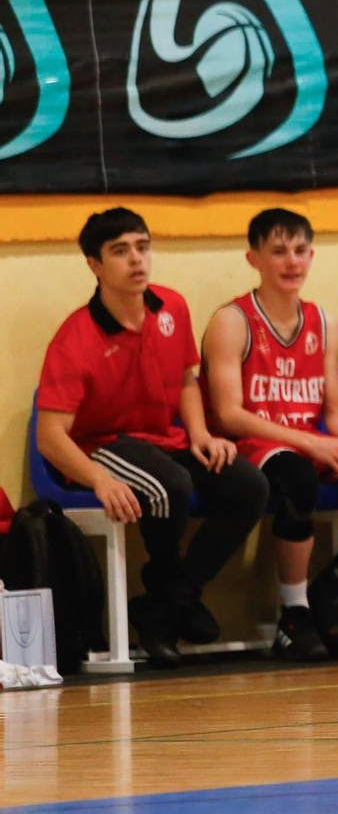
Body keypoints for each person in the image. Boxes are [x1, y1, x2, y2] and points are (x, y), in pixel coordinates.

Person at [35, 208, 269, 667]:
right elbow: (50, 437)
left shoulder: (172, 307)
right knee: (169, 486)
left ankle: (168, 599)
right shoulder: (75, 338)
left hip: (165, 439)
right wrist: (99, 480)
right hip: (101, 444)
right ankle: (163, 606)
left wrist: (200, 433)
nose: (137, 260)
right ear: (95, 265)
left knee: (249, 485)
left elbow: (186, 380)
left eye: (142, 247)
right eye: (120, 251)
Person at [202, 209, 338, 661]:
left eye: (300, 251)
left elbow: (334, 410)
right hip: (255, 445)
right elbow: (230, 414)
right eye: (279, 251)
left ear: (312, 255)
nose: (292, 261)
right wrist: (315, 442)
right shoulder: (232, 320)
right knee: (299, 478)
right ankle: (294, 614)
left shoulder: (324, 323)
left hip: (307, 439)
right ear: (253, 258)